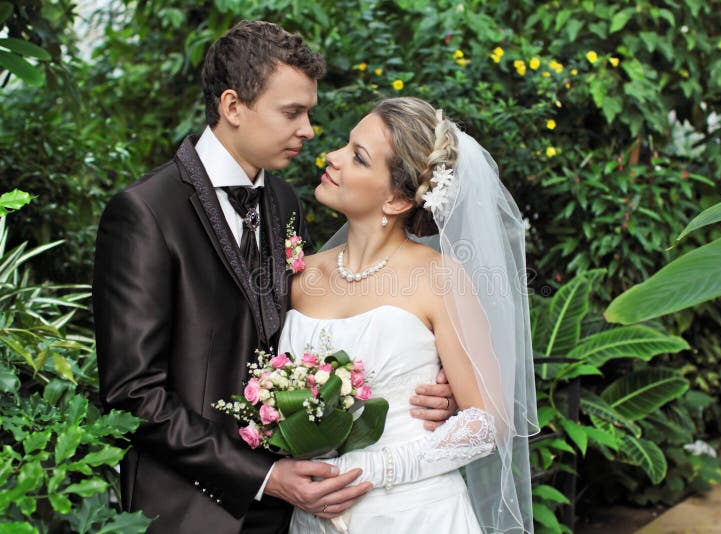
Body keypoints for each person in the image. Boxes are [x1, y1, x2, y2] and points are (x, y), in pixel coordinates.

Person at [92, 21, 454, 534]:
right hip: (190, 510)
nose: (308, 130)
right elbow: (133, 395)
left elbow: (317, 336)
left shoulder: (285, 202)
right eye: (292, 113)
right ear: (233, 106)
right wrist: (263, 477)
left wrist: (434, 384)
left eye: (308, 112)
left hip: (295, 510)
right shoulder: (145, 214)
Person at [279, 97, 539, 533]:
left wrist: (377, 469)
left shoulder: (441, 279)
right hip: (311, 515)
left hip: (414, 513)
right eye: (346, 145)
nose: (333, 158)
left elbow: (488, 421)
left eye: (357, 157)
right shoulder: (303, 275)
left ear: (397, 200)